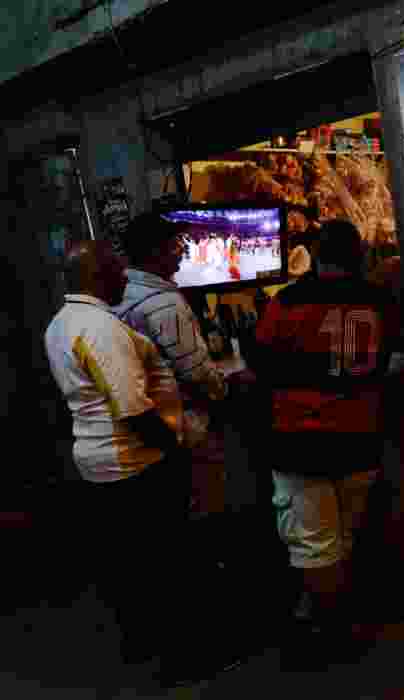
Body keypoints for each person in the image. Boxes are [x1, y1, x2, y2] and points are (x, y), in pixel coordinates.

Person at [44, 240, 242, 687]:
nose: (126, 279)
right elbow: (133, 409)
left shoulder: (61, 322)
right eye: (118, 271)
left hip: (102, 460)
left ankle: (142, 644)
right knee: (167, 564)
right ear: (97, 276)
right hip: (133, 461)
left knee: (130, 562)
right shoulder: (99, 328)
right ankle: (187, 659)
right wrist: (174, 450)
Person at [249, 220, 403, 671]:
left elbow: (262, 362)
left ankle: (333, 633)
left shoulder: (289, 302)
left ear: (316, 256)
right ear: (359, 256)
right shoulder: (379, 302)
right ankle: (330, 614)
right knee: (344, 536)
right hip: (361, 437)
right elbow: (391, 355)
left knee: (316, 543)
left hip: (302, 443)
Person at [114, 213, 232, 515]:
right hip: (185, 419)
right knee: (205, 497)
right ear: (155, 253)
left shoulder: (125, 292)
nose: (181, 250)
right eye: (174, 244)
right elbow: (195, 372)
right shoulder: (163, 302)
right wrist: (224, 391)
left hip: (156, 419)